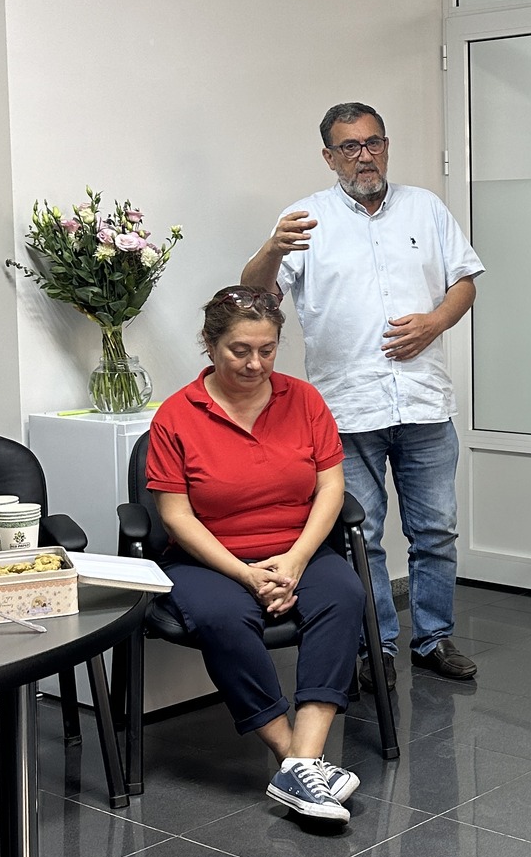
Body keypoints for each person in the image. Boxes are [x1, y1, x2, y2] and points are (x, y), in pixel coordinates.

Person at [241, 102, 484, 686]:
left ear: (386, 146)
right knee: (361, 536)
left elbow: (464, 282)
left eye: (373, 142)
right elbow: (254, 298)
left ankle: (433, 637)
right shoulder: (305, 219)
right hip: (346, 410)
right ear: (329, 157)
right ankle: (376, 647)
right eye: (350, 147)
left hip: (424, 402)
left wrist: (434, 322)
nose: (364, 155)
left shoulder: (425, 207)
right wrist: (273, 248)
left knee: (436, 531)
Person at [144, 289, 367, 827]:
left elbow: (331, 489)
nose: (255, 364)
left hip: (298, 548)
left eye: (267, 350)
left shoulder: (304, 400)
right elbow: (176, 516)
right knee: (221, 615)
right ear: (209, 343)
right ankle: (297, 762)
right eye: (240, 350)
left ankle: (302, 762)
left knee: (344, 594)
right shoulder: (176, 415)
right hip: (209, 558)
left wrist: (295, 560)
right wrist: (245, 573)